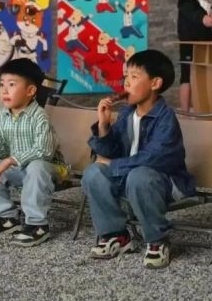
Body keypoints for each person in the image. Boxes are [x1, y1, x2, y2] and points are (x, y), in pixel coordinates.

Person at [82, 49, 195, 269]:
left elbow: (154, 158)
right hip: (128, 175)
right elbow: (110, 150)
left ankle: (157, 240)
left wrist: (113, 165)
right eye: (126, 76)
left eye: (134, 76)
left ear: (155, 83)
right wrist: (103, 126)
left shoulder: (165, 118)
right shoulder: (127, 113)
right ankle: (116, 235)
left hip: (162, 181)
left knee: (139, 175)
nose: (126, 82)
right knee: (93, 172)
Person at [0, 58, 58, 247]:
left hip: (47, 171)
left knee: (37, 166)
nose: (4, 90)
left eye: (11, 85)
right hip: (19, 171)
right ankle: (6, 216)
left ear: (30, 91)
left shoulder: (39, 117)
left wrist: (10, 160)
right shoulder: (3, 116)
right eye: (2, 84)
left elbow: (44, 151)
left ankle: (37, 224)